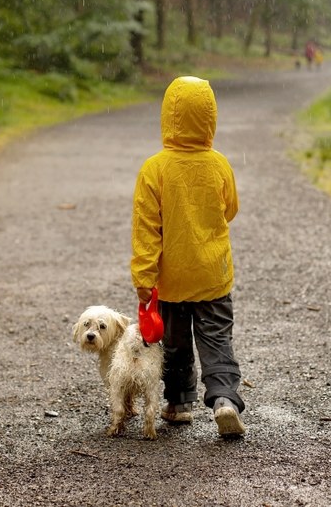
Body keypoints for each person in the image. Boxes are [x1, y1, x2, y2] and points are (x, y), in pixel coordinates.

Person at [131, 76, 246, 437]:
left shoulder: (154, 169)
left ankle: (178, 403)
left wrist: (144, 278)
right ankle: (224, 399)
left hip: (173, 278)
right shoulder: (219, 164)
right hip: (213, 274)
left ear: (168, 116)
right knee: (216, 339)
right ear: (209, 117)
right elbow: (230, 209)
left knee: (176, 343)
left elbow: (146, 230)